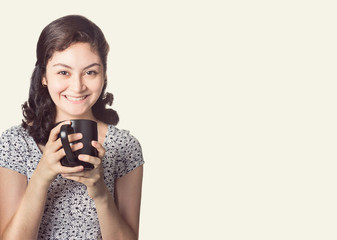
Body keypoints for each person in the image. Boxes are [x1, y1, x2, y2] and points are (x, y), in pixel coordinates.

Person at [0, 15, 144, 239]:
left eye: (90, 72)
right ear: (44, 77)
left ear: (104, 76)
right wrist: (41, 176)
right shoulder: (15, 143)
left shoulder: (124, 147)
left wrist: (100, 193)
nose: (77, 87)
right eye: (63, 72)